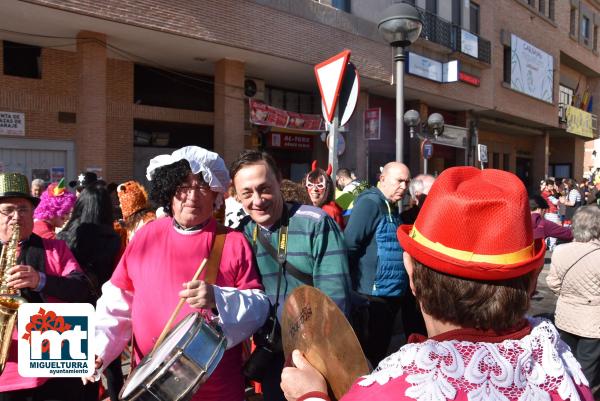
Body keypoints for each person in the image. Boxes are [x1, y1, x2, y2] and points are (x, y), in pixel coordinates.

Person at [281, 166, 593, 401]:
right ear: (532, 281)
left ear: (411, 275)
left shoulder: (393, 390)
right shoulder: (560, 369)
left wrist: (311, 397)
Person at [87, 146, 270, 401]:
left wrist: (218, 298)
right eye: (183, 185)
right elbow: (118, 302)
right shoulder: (146, 236)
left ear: (215, 194)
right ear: (169, 190)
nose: (192, 196)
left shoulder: (232, 241)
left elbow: (259, 308)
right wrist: (100, 349)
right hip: (150, 387)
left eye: (202, 186)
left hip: (216, 390)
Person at [230, 150, 351, 401]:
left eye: (264, 188)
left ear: (279, 182)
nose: (257, 200)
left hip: (318, 357)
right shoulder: (241, 234)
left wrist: (314, 359)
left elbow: (335, 301)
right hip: (273, 355)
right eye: (247, 193)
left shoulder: (315, 224)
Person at [0, 172, 92, 400]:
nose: (16, 217)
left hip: (54, 363)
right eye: (8, 210)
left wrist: (41, 280)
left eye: (23, 209)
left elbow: (81, 288)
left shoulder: (56, 248)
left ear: (33, 214)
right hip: (8, 377)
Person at [344, 161, 422, 366]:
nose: (404, 187)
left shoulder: (390, 206)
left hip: (390, 295)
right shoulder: (370, 203)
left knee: (380, 353)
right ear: (383, 178)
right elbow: (350, 244)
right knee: (370, 356)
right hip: (372, 297)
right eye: (399, 181)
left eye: (407, 182)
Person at [57, 182, 123, 400]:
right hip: (104, 305)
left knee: (74, 365)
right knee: (110, 364)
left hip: (72, 306)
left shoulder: (64, 237)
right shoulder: (114, 238)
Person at [547, 205, 600, 395]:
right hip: (593, 322)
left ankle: (567, 395)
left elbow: (552, 282)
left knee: (566, 362)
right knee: (587, 370)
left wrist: (568, 295)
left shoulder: (560, 250)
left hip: (565, 316)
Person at [303, 164, 345, 229]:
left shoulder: (329, 211)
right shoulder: (307, 208)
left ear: (327, 189)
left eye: (320, 185)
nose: (314, 189)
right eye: (310, 185)